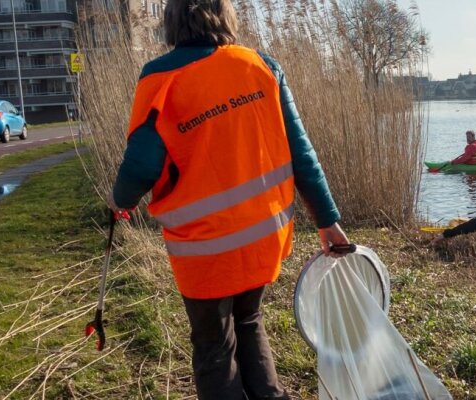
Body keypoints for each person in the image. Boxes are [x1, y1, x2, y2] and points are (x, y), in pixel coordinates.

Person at [106, 0, 349, 397]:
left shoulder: (159, 77)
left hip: (204, 248)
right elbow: (301, 153)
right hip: (262, 237)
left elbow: (139, 168)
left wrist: (121, 201)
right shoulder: (261, 67)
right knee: (249, 320)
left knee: (214, 345)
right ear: (225, 15)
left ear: (172, 21)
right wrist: (327, 219)